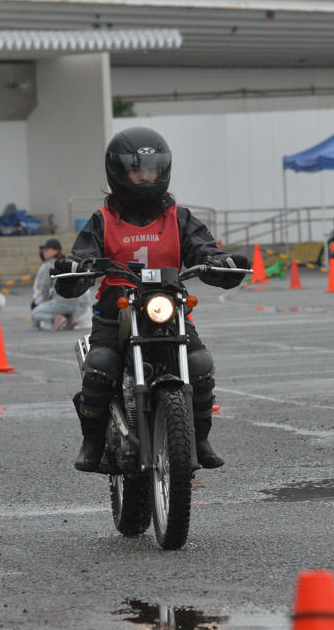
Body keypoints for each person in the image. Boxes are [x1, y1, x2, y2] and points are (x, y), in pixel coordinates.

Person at [53, 127, 249, 472]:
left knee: (200, 365)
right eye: (137, 171)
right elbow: (82, 255)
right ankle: (93, 442)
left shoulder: (179, 218)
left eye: (152, 170)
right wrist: (75, 267)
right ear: (119, 172)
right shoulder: (102, 221)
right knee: (101, 366)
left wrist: (221, 264)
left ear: (164, 170)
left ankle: (199, 438)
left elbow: (204, 250)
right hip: (117, 311)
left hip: (169, 310)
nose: (145, 178)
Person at [31, 238, 87, 330]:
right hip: (75, 302)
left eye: (47, 250)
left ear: (55, 250)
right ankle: (70, 318)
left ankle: (57, 318)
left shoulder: (48, 265)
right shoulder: (68, 261)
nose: (44, 252)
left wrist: (44, 300)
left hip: (61, 302)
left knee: (35, 313)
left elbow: (44, 287)